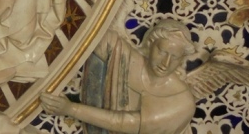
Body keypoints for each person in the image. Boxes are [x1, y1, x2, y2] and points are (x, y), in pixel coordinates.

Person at [40, 20, 196, 134]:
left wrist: (71, 109)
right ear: (150, 44)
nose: (165, 63)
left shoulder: (182, 104)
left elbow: (123, 123)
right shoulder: (128, 58)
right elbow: (95, 37)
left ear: (182, 59)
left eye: (175, 57)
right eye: (161, 52)